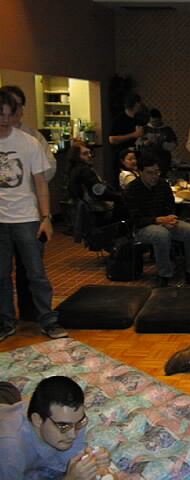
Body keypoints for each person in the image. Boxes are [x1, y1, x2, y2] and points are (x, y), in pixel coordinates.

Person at [0, 89, 67, 342]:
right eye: (0, 115)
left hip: (26, 218)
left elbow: (41, 183)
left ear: (15, 114)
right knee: (1, 275)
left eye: (9, 115)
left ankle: (48, 320)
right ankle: (6, 322)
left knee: (36, 274)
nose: (5, 120)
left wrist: (46, 217)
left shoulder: (29, 142)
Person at [0, 376, 112, 479]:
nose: (73, 435)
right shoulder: (9, 452)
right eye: (63, 426)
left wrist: (93, 462)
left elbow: (70, 461)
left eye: (78, 423)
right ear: (37, 420)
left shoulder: (73, 420)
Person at [124, 153, 190, 287]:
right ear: (141, 172)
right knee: (161, 234)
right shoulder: (132, 189)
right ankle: (164, 274)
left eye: (157, 172)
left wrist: (170, 218)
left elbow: (170, 206)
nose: (154, 176)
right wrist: (157, 220)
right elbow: (134, 219)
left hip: (164, 222)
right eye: (150, 173)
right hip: (142, 227)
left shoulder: (163, 185)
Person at [108, 93, 145, 178]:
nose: (140, 106)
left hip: (135, 154)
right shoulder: (119, 120)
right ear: (135, 104)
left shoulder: (138, 119)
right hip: (122, 155)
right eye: (138, 103)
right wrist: (133, 135)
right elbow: (112, 139)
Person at [137, 108, 177, 177]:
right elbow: (137, 143)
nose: (155, 123)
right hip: (147, 160)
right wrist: (144, 143)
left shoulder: (167, 130)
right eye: (153, 121)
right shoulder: (144, 129)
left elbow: (174, 145)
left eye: (157, 121)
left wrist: (162, 144)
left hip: (162, 161)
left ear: (160, 119)